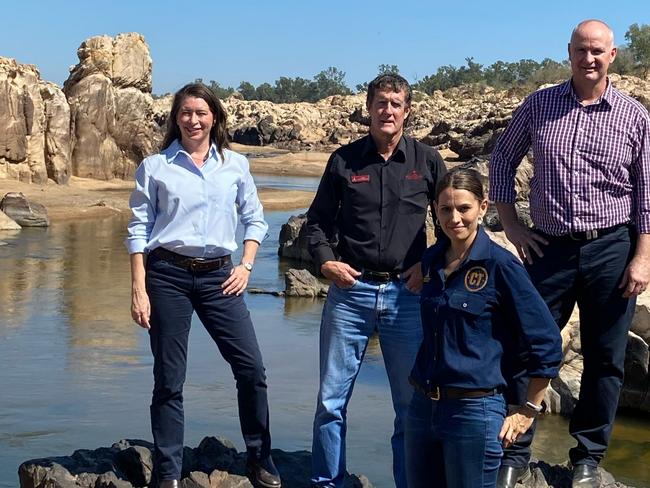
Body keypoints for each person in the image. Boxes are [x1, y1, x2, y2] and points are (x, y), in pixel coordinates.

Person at [490, 19, 650, 488]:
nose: (589, 58)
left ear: (613, 56)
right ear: (569, 53)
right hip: (550, 248)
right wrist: (514, 225)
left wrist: (642, 258)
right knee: (527, 348)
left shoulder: (633, 115)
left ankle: (588, 457)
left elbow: (645, 195)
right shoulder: (540, 105)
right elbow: (502, 159)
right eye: (582, 50)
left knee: (605, 358)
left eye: (598, 51)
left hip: (612, 250)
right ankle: (515, 449)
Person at [125, 83, 281, 488]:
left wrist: (246, 265)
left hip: (220, 277)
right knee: (169, 378)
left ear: (215, 117)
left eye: (201, 112)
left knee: (252, 369)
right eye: (185, 112)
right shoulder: (156, 166)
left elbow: (256, 219)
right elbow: (139, 229)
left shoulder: (235, 165)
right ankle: (168, 473)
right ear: (176, 117)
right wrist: (138, 289)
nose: (193, 120)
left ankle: (259, 457)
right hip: (167, 275)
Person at [305, 73, 447, 488]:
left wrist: (430, 264)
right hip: (350, 293)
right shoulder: (344, 161)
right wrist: (325, 263)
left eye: (396, 103)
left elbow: (454, 221)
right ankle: (326, 482)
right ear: (368, 108)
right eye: (381, 103)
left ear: (407, 111)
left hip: (408, 297)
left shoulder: (427, 162)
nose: (388, 110)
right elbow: (316, 224)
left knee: (410, 406)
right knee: (331, 402)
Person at [405, 168, 562, 488]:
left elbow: (546, 341)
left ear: (483, 207)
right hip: (422, 408)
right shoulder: (432, 260)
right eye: (446, 209)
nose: (455, 218)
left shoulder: (501, 266)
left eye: (464, 208)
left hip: (474, 412)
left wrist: (528, 410)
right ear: (435, 209)